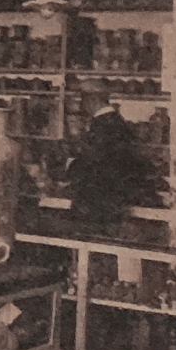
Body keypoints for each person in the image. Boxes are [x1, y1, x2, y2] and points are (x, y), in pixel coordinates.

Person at [66, 79, 155, 234]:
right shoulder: (120, 124)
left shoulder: (101, 126)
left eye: (82, 100)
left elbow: (92, 165)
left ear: (91, 100)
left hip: (95, 207)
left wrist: (70, 166)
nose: (81, 105)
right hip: (114, 205)